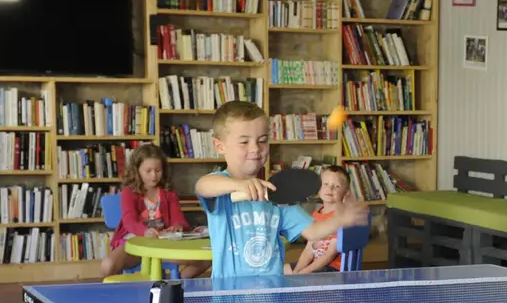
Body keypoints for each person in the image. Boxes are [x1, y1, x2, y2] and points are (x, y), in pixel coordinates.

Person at [195, 101, 366, 278]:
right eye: (244, 141)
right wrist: (238, 185)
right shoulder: (220, 191)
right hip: (229, 294)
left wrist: (340, 220)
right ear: (219, 146)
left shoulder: (277, 195)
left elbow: (312, 231)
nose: (255, 148)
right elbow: (203, 186)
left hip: (271, 290)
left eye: (262, 140)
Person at [100, 144, 204, 280]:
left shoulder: (169, 193)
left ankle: (174, 283)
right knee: (107, 265)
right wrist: (144, 232)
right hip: (135, 244)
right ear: (137, 171)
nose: (154, 176)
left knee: (207, 259)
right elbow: (129, 221)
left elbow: (179, 220)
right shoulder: (129, 192)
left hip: (163, 245)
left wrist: (177, 226)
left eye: (158, 170)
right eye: (148, 171)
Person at [289, 165, 353, 274]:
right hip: (316, 265)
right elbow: (309, 249)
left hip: (333, 269)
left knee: (299, 279)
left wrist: (305, 272)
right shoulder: (316, 215)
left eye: (336, 186)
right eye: (325, 184)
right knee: (280, 271)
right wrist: (297, 271)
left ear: (346, 192)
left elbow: (330, 254)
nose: (330, 189)